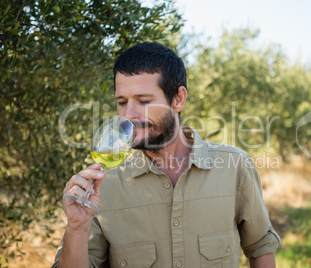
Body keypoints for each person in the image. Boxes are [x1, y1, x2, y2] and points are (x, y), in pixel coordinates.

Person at [53, 42, 280, 268]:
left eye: (143, 101)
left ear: (178, 99)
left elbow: (261, 248)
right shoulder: (105, 185)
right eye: (122, 102)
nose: (129, 114)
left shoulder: (235, 167)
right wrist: (77, 227)